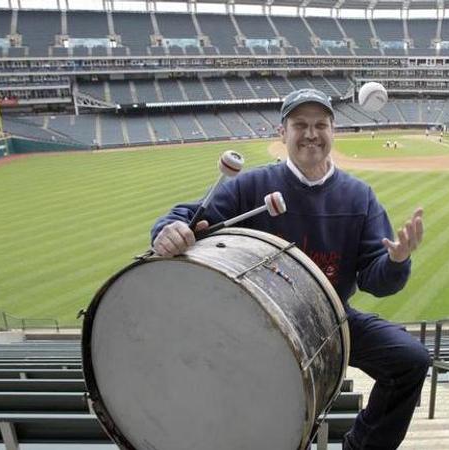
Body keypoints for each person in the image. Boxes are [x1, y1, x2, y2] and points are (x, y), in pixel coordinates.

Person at [151, 88, 429, 450]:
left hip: (331, 318)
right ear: (283, 133)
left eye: (320, 125)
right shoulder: (251, 186)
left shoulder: (359, 197)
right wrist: (167, 230)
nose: (311, 134)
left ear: (333, 131)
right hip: (260, 321)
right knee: (288, 411)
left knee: (410, 361)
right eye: (300, 124)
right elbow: (189, 217)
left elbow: (376, 281)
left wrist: (395, 261)